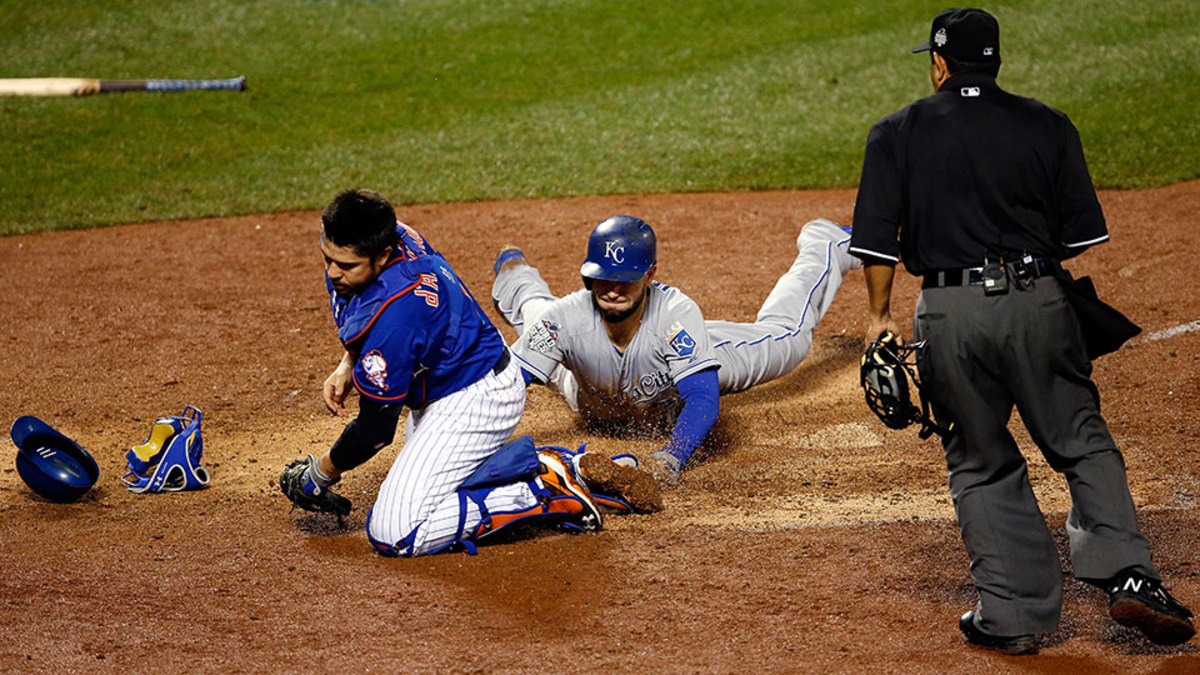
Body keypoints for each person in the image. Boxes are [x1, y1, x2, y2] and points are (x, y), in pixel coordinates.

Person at [849, 8, 1194, 653]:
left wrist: (878, 321)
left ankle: (1013, 617)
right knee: (1079, 438)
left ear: (939, 64)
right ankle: (1129, 575)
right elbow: (1080, 238)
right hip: (1037, 303)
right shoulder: (1047, 125)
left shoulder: (895, 132)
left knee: (978, 461)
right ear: (997, 61)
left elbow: (875, 244)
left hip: (948, 315)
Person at [278, 189, 660, 557]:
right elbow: (364, 317)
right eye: (327, 258)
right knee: (437, 488)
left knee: (396, 533)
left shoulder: (398, 315)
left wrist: (321, 473)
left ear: (382, 256)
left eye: (346, 266)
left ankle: (545, 485)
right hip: (454, 378)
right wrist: (349, 362)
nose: (333, 273)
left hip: (474, 400)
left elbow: (375, 430)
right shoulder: (394, 233)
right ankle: (541, 469)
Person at [492, 214, 860, 484]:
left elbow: (702, 398)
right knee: (542, 323)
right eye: (603, 278)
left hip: (693, 355)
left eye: (626, 280)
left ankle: (824, 245)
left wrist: (672, 455)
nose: (614, 289)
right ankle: (516, 276)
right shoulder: (567, 318)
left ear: (650, 274)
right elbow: (507, 386)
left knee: (788, 339)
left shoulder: (676, 314)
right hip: (586, 390)